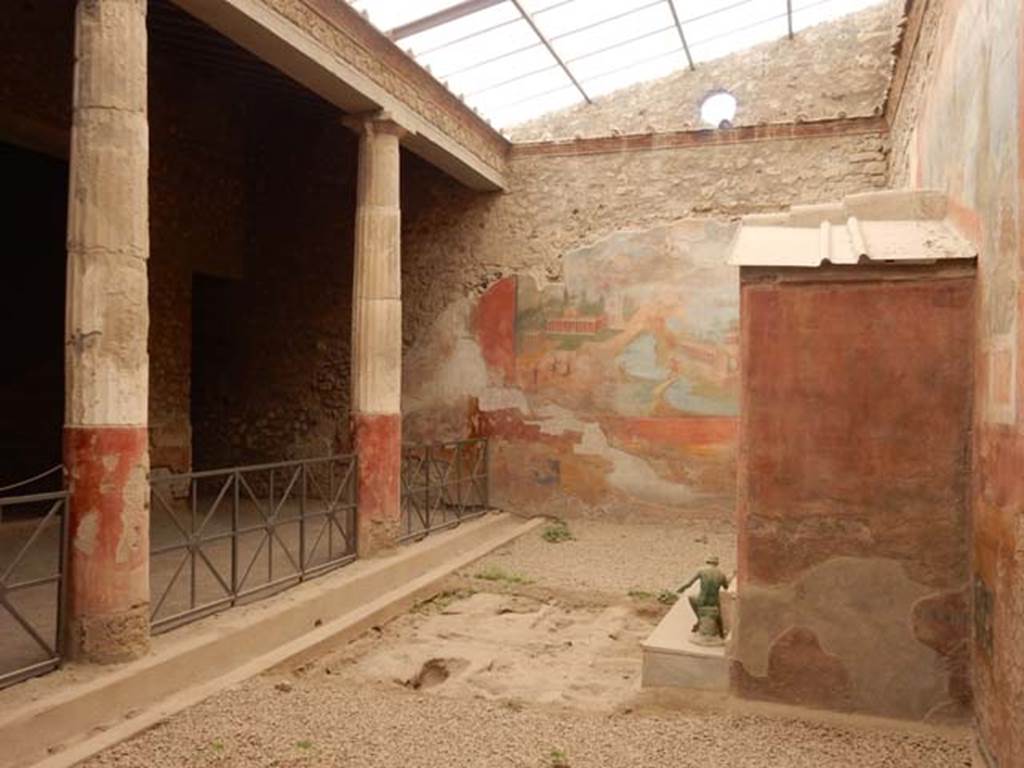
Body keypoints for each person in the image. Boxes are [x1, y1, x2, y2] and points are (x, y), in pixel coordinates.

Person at [677, 555, 730, 637]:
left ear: (707, 562)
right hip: (714, 601)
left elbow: (688, 583)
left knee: (691, 598)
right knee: (719, 613)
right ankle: (721, 632)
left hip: (702, 600)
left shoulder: (701, 570)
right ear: (717, 563)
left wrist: (680, 589)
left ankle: (699, 619)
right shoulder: (721, 574)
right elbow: (726, 587)